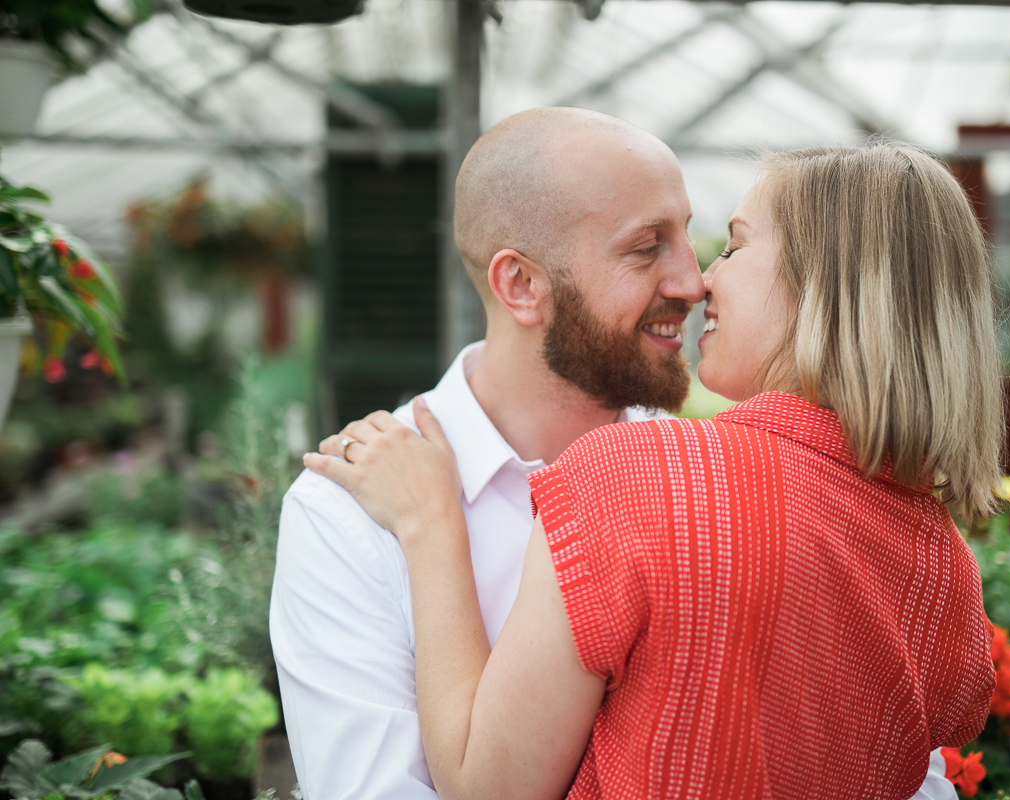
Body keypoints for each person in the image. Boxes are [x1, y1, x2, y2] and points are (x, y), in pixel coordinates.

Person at [273, 106, 955, 800]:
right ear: (523, 286)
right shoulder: (345, 514)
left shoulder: (708, 480)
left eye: (694, 237)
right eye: (644, 248)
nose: (693, 283)